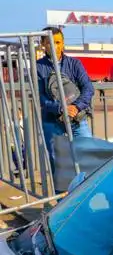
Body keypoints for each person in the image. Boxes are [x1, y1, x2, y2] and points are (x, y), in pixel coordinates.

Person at [36, 26, 95, 179]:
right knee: (59, 164)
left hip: (77, 119)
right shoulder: (38, 67)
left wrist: (76, 107)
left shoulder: (74, 64)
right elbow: (41, 97)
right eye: (50, 43)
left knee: (88, 157)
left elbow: (88, 88)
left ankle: (85, 196)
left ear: (63, 43)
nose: (55, 46)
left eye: (58, 42)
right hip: (52, 121)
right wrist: (62, 108)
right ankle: (63, 200)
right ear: (43, 44)